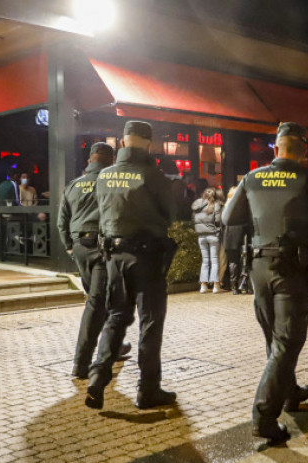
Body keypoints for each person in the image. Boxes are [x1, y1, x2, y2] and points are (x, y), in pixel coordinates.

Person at [222, 122, 308, 444]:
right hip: (291, 267)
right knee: (287, 340)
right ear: (304, 152)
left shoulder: (252, 177)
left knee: (275, 338)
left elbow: (228, 218)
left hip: (258, 267)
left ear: (274, 150)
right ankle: (264, 415)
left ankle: (289, 392)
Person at [85, 121, 177, 410]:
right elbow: (171, 214)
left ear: (122, 143)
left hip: (114, 258)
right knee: (150, 323)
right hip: (147, 260)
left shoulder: (104, 176)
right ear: (149, 144)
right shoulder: (155, 176)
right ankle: (147, 390)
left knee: (115, 318)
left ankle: (97, 380)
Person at [57, 142, 132, 379]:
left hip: (80, 248)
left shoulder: (73, 185)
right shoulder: (112, 181)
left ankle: (114, 348)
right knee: (97, 303)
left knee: (102, 299)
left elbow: (62, 222)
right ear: (111, 160)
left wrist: (70, 247)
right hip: (103, 247)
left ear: (90, 159)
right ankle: (81, 364)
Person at [192, 187, 223, 294]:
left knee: (205, 261)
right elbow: (218, 221)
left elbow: (194, 219)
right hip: (213, 235)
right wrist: (218, 231)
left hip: (201, 236)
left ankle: (203, 286)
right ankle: (215, 285)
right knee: (214, 260)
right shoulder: (216, 205)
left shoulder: (197, 205)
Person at [222, 186, 251, 294]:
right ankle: (244, 285)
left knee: (233, 262)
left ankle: (234, 286)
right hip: (242, 236)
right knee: (244, 261)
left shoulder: (225, 207)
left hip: (228, 237)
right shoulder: (242, 208)